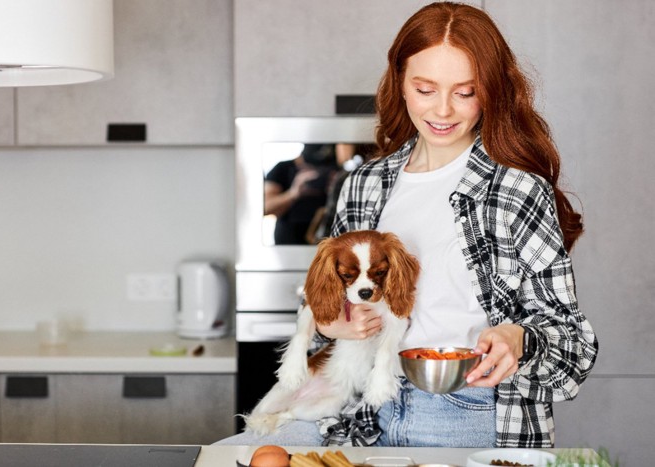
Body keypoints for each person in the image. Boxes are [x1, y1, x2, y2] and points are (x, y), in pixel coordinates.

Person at [218, 1, 598, 448]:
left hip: (467, 414)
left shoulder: (515, 191)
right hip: (361, 410)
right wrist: (332, 324)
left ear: (490, 91)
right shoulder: (365, 185)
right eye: (425, 88)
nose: (443, 110)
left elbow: (574, 343)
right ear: (400, 83)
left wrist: (519, 338)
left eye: (465, 91)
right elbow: (330, 303)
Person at [264, 144, 337, 244]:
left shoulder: (332, 168)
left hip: (325, 238)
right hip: (289, 240)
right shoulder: (282, 168)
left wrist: (337, 188)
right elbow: (266, 208)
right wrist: (293, 193)